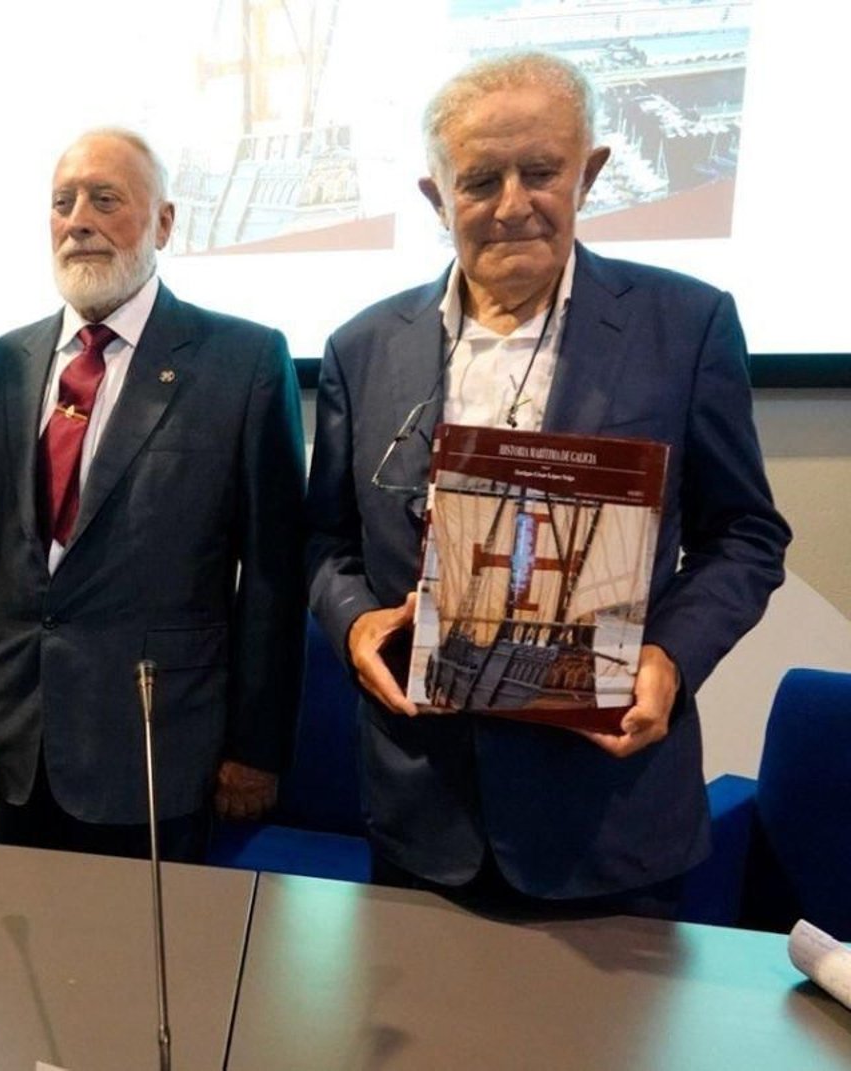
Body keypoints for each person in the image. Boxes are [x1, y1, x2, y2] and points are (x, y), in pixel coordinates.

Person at [306, 51, 790, 915]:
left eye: (541, 172)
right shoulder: (362, 346)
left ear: (591, 172)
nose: (512, 205)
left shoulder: (686, 326)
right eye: (479, 179)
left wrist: (669, 657)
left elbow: (746, 536)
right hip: (422, 810)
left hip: (607, 813)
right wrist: (352, 624)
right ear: (435, 196)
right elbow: (326, 544)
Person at [0, 129, 306, 862]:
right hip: (18, 740)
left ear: (163, 222)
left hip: (159, 745)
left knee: (154, 968)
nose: (79, 220)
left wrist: (256, 747)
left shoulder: (245, 362)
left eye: (106, 200)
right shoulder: (0, 363)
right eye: (62, 203)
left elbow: (271, 579)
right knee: (30, 957)